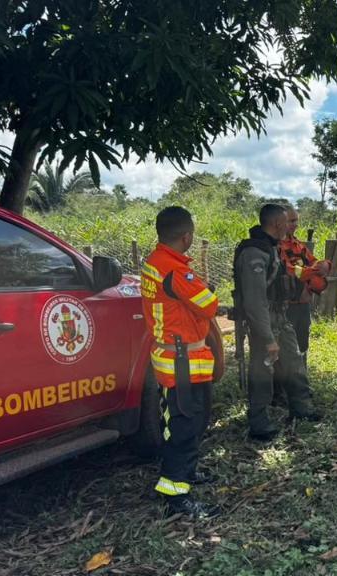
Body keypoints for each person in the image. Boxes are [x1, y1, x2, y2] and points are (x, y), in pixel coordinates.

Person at [141, 206, 220, 518]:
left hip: (175, 357)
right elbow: (209, 305)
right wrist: (206, 290)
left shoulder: (154, 262)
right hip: (182, 360)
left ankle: (186, 474)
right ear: (187, 237)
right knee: (183, 427)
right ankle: (176, 496)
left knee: (186, 421)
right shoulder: (175, 271)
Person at [234, 203, 319, 441]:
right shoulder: (254, 253)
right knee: (262, 372)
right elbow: (254, 301)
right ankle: (259, 423)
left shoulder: (271, 248)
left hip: (281, 317)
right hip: (264, 320)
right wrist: (267, 337)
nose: (290, 226)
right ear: (277, 223)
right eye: (287, 221)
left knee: (294, 362)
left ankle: (302, 409)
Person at [278, 207, 332, 368]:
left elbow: (314, 262)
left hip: (303, 304)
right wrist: (312, 271)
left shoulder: (298, 245)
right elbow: (288, 270)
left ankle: (301, 374)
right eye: (291, 221)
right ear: (279, 222)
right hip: (283, 307)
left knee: (302, 345)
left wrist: (325, 265)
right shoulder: (274, 246)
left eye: (296, 220)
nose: (295, 224)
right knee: (284, 346)